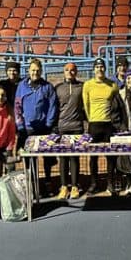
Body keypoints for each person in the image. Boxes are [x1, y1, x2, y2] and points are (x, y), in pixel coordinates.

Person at [15, 58, 58, 194]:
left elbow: (52, 106)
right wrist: (20, 126)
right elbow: (17, 107)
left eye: (38, 70)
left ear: (41, 71)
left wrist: (49, 124)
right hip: (28, 129)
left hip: (43, 129)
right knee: (30, 160)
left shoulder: (47, 87)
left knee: (47, 158)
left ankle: (48, 182)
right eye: (33, 70)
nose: (35, 73)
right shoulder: (21, 86)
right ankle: (33, 185)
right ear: (29, 71)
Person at [82, 58, 120, 193]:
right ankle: (94, 184)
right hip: (94, 125)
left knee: (111, 156)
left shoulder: (112, 85)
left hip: (108, 125)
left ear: (105, 69)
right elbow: (86, 105)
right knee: (93, 157)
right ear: (94, 69)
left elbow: (117, 104)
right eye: (97, 67)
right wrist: (92, 119)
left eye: (102, 67)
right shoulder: (87, 85)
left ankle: (110, 183)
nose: (100, 69)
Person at [53, 63, 85, 199]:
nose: (70, 72)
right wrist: (55, 126)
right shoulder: (58, 88)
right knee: (63, 158)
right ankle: (64, 187)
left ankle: (75, 186)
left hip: (77, 128)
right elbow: (54, 108)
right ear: (63, 72)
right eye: (67, 70)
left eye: (72, 70)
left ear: (76, 72)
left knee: (74, 158)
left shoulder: (82, 87)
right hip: (62, 128)